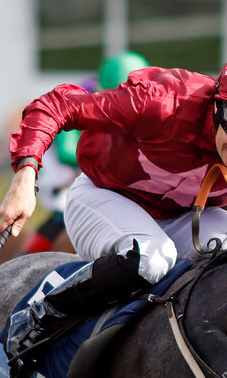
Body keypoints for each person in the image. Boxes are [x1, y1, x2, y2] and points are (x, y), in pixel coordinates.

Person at [0, 48, 227, 378]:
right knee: (151, 258)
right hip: (104, 196)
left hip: (183, 215)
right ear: (217, 103)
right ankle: (45, 313)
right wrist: (26, 175)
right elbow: (57, 105)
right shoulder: (163, 101)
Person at [20, 51, 151, 254]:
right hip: (62, 169)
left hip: (101, 165)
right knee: (63, 210)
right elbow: (66, 151)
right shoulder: (80, 98)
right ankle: (24, 259)